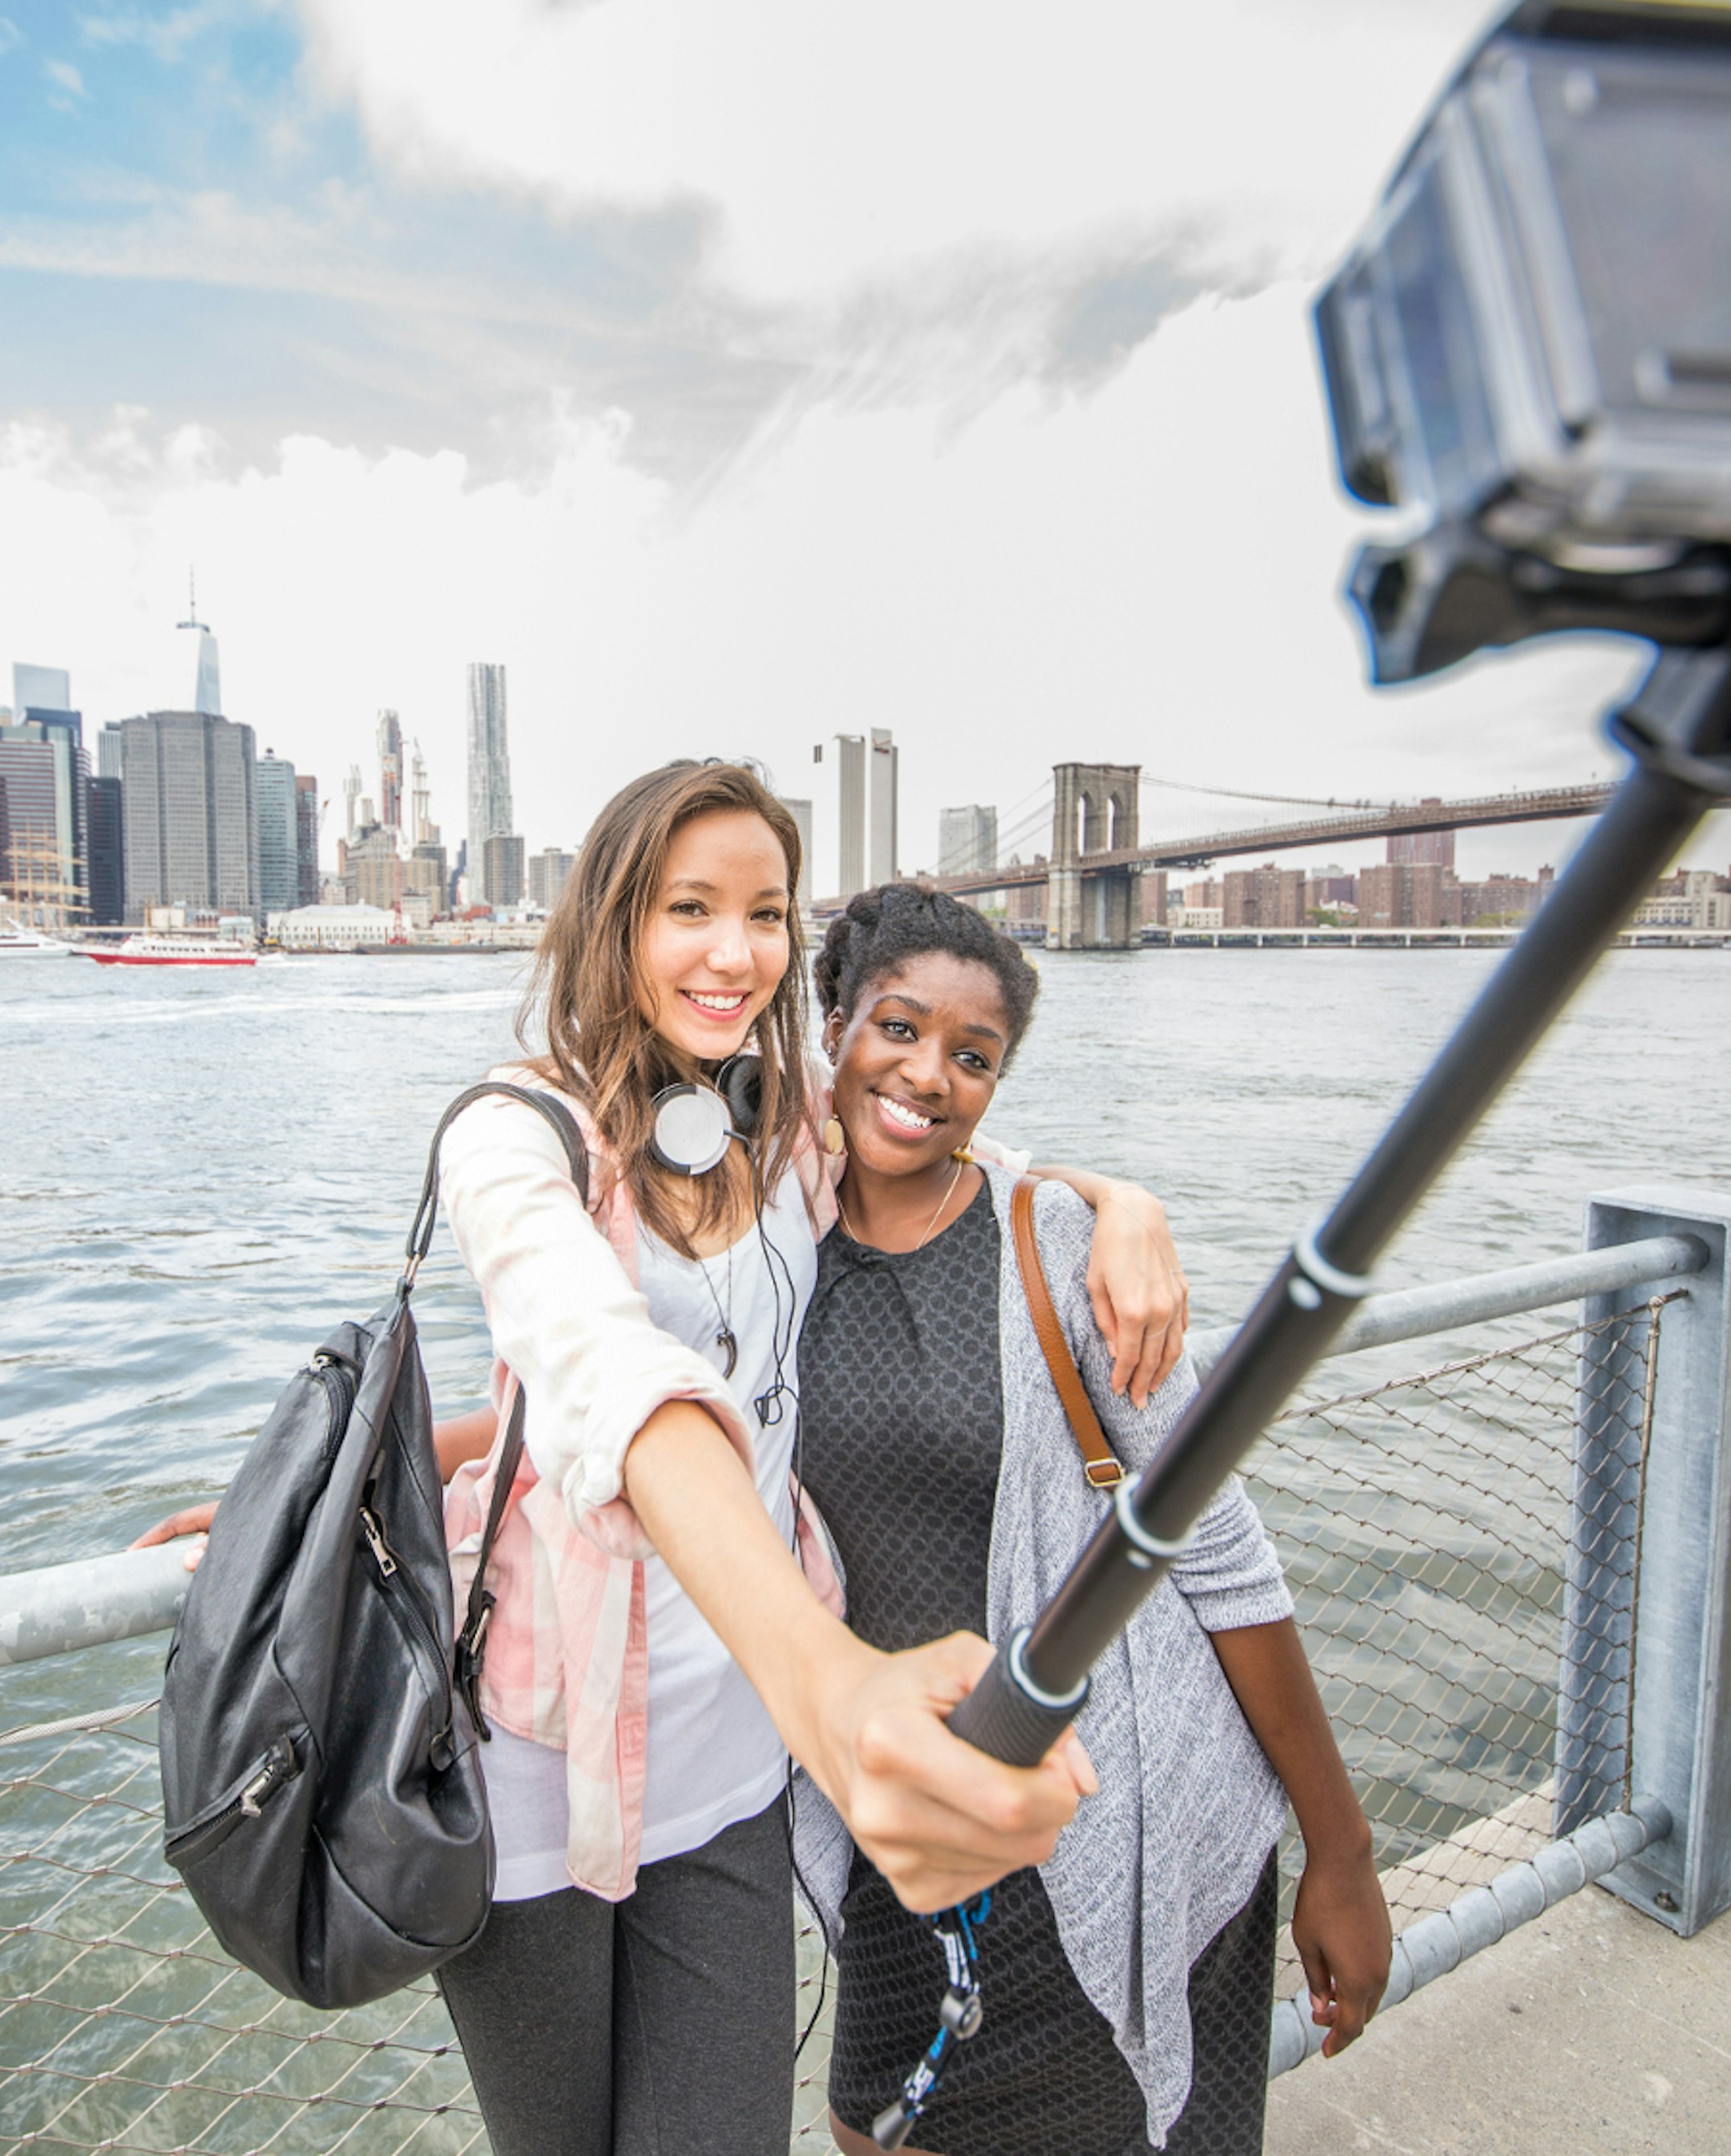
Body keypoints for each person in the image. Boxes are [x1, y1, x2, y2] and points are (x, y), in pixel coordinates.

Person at [137, 759, 1186, 2156]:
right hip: (544, 1745)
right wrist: (824, 1678)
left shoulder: (784, 1128)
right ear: (618, 920)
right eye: (690, 908)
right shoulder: (515, 1138)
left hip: (733, 1760)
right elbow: (605, 1376)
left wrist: (1120, 1205)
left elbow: (960, 1157)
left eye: (764, 913)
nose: (734, 953)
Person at [793, 882, 1390, 2155]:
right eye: (895, 1028)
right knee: (873, 2131)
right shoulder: (772, 1249)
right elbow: (637, 1403)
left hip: (1105, 1814)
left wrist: (1343, 1853)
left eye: (973, 1056)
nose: (926, 1075)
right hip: (909, 1816)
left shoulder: (1055, 1246)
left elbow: (1224, 1557)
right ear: (831, 1022)